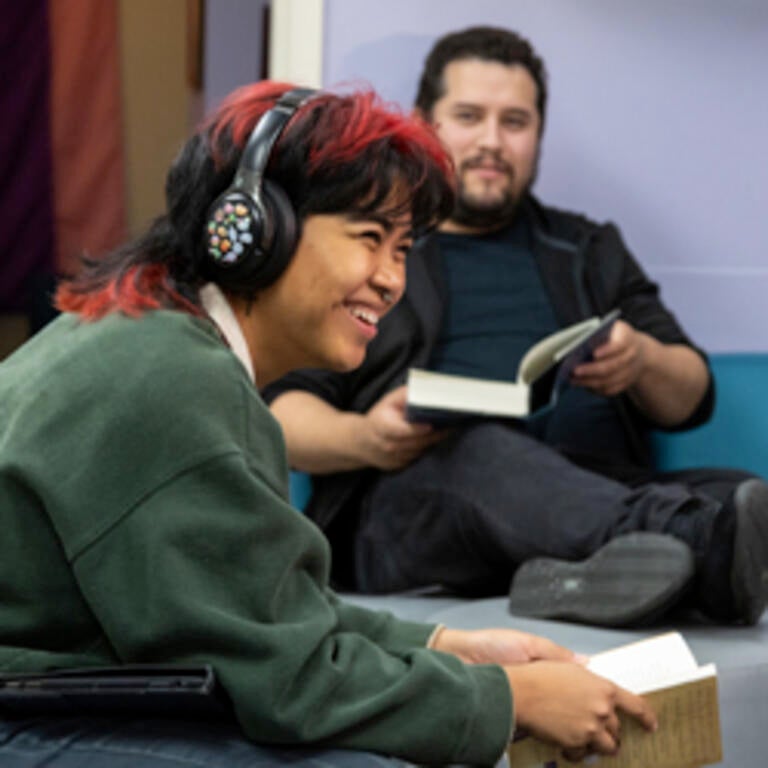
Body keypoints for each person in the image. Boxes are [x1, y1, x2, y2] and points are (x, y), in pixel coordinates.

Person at [0, 82, 658, 767]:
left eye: (403, 249)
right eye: (369, 238)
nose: (391, 280)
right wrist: (509, 700)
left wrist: (445, 646)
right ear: (255, 229)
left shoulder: (156, 340)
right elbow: (284, 679)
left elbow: (260, 609)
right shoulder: (169, 377)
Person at [265, 26, 768, 628]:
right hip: (415, 500)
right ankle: (681, 543)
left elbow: (691, 396)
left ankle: (583, 572)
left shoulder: (587, 248)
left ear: (537, 135)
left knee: (737, 492)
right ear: (425, 124)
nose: (491, 142)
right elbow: (280, 410)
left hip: (593, 483)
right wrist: (365, 437)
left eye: (515, 122)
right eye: (469, 117)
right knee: (480, 448)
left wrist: (643, 361)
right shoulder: (371, 248)